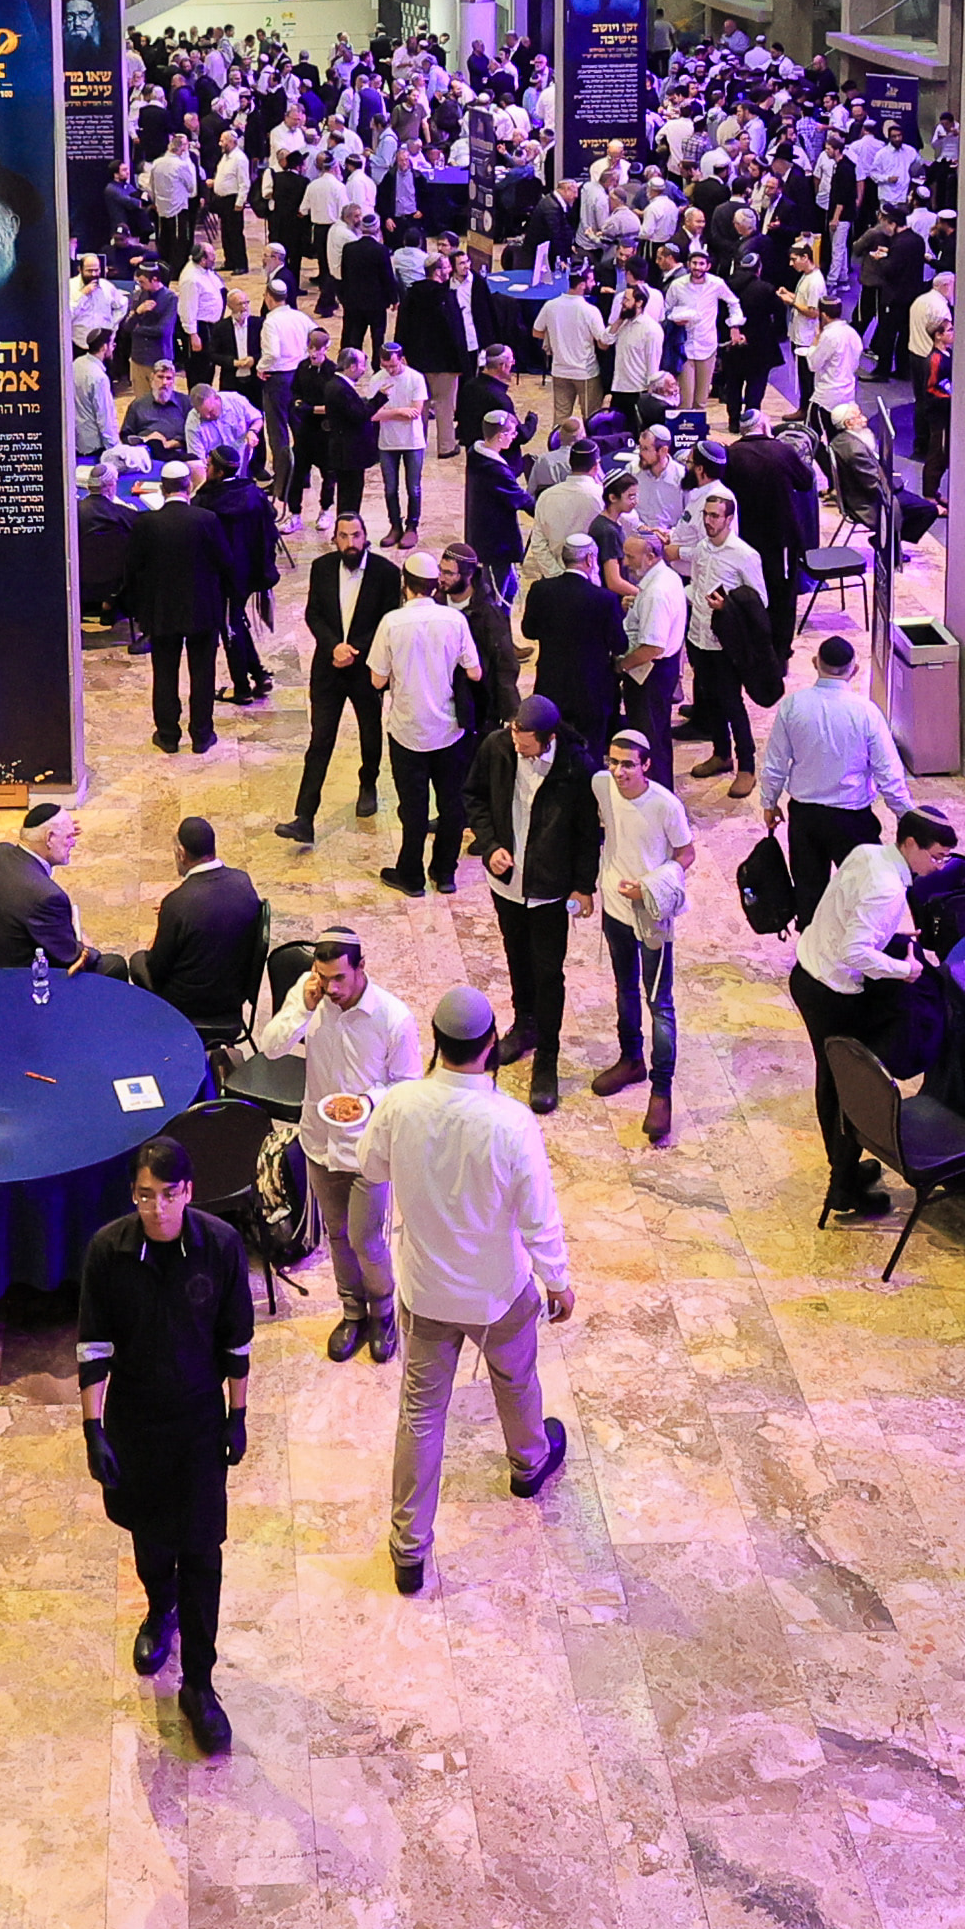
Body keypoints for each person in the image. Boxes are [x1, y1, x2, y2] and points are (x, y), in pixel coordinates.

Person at [372, 986, 572, 1594]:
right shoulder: (511, 1123)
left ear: (436, 1043)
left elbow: (371, 1167)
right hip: (497, 1293)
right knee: (515, 1383)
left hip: (426, 1292)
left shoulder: (398, 1105)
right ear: (492, 1048)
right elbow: (538, 1215)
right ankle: (528, 1464)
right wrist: (558, 1279)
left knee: (421, 1417)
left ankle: (409, 1550)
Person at [71, 1138, 257, 1755]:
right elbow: (94, 1346)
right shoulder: (107, 1251)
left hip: (200, 1424)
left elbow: (236, 1340)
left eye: (169, 1194)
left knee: (203, 1551)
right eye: (146, 1195)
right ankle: (159, 1610)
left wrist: (238, 1414)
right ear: (133, 1192)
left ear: (189, 1192)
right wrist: (93, 1429)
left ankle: (200, 1685)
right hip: (136, 1422)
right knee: (148, 1537)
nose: (157, 1208)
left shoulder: (221, 1247)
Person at [258, 933, 428, 1363]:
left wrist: (367, 1102)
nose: (331, 988)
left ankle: (383, 1313)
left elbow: (407, 1085)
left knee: (367, 1240)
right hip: (319, 1139)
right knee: (336, 1235)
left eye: (339, 978)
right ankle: (352, 1312)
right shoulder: (310, 995)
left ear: (361, 966)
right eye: (322, 977)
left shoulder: (393, 1018)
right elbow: (271, 1047)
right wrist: (303, 1007)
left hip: (367, 1147)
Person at [789, 811, 949, 1223]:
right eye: (937, 856)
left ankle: (844, 1170)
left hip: (808, 972)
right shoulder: (887, 889)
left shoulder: (867, 854)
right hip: (832, 992)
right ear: (911, 844)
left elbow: (851, 910)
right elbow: (854, 953)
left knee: (832, 1079)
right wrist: (905, 970)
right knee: (848, 1085)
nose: (940, 866)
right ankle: (843, 1184)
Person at [476, 697, 597, 1117]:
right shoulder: (497, 747)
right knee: (516, 957)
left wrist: (583, 886)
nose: (516, 744)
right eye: (513, 734)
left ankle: (547, 1053)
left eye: (524, 742)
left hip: (549, 891)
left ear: (547, 740)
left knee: (548, 972)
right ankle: (523, 1024)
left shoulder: (576, 768)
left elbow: (587, 833)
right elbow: (474, 797)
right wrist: (491, 845)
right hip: (507, 885)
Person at [757, 631, 918, 913]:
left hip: (805, 816)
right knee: (863, 891)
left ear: (814, 662)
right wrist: (907, 815)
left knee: (809, 893)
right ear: (854, 670)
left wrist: (769, 803)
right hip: (852, 819)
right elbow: (888, 773)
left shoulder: (793, 706)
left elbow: (776, 763)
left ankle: (808, 955)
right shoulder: (866, 712)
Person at [588, 730, 694, 1146]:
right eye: (613, 761)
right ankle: (631, 1059)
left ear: (646, 765)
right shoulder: (603, 786)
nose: (619, 771)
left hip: (652, 916)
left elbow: (686, 854)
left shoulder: (666, 805)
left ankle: (661, 1089)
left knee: (659, 1003)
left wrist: (651, 885)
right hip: (615, 911)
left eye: (628, 764)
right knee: (624, 990)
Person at [372, 557, 489, 895]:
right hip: (449, 728)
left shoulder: (392, 623)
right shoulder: (454, 619)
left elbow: (377, 679)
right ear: (435, 584)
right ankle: (445, 872)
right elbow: (475, 672)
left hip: (408, 729)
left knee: (413, 807)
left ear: (405, 584)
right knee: (452, 804)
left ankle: (410, 875)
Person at [121, 462, 234, 757]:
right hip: (202, 610)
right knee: (202, 673)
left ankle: (168, 735)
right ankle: (202, 735)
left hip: (162, 613)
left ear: (162, 488)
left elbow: (133, 569)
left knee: (165, 674)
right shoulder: (207, 519)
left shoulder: (146, 523)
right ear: (188, 487)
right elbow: (226, 562)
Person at [140, 816, 272, 1047]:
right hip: (233, 999)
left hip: (188, 1005)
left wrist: (162, 927)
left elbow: (157, 968)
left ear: (181, 853)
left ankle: (157, 1040)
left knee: (137, 962)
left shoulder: (177, 903)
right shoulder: (243, 881)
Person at [0, 805, 86, 974]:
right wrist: (87, 948)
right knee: (113, 965)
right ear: (49, 838)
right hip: (17, 983)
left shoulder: (0, 853)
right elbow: (70, 956)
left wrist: (62, 833)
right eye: (69, 837)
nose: (73, 842)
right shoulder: (47, 897)